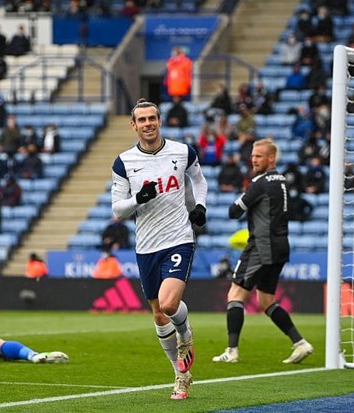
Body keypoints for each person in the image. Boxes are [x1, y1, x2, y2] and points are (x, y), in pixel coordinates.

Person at [111, 98, 207, 400]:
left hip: (179, 238)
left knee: (168, 304)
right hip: (147, 245)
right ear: (134, 125)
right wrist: (138, 199)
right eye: (142, 120)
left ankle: (186, 335)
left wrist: (200, 206)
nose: (148, 124)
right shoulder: (123, 162)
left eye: (152, 118)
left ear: (159, 120)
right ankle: (181, 375)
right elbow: (118, 211)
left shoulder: (182, 151)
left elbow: (199, 181)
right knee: (158, 314)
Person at [212, 138, 314, 365]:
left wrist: (241, 198)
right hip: (280, 246)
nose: (253, 159)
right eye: (253, 155)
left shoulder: (260, 183)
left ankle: (232, 351)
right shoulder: (282, 181)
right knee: (266, 301)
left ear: (271, 158)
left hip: (261, 246)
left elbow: (233, 211)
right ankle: (300, 343)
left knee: (235, 295)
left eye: (258, 156)